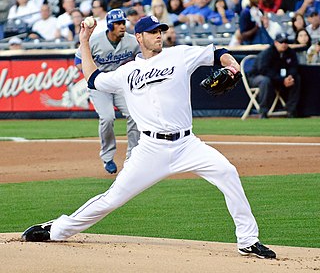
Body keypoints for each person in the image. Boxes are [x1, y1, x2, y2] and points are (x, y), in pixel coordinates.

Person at [21, 14, 277, 261]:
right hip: (151, 149)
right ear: (139, 37)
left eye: (160, 31)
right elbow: (93, 78)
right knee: (112, 198)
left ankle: (247, 240)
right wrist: (85, 41)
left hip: (187, 144)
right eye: (153, 32)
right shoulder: (128, 71)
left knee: (227, 172)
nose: (159, 36)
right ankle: (57, 229)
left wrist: (230, 63)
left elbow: (217, 52)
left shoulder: (179, 55)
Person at [75, 8, 140, 174]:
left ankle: (133, 155)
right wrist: (89, 74)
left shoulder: (132, 41)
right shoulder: (95, 41)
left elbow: (142, 57)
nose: (122, 26)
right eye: (118, 23)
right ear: (110, 26)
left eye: (123, 23)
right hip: (99, 85)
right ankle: (107, 157)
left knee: (134, 115)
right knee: (107, 117)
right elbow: (78, 60)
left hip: (119, 85)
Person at [249, 32, 301, 118]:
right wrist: (282, 79)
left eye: (286, 42)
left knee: (296, 78)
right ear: (276, 43)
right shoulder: (267, 53)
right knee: (265, 80)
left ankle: (291, 110)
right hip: (256, 77)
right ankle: (263, 111)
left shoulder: (290, 52)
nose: (284, 44)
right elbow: (264, 70)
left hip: (278, 78)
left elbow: (294, 66)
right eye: (281, 42)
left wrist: (289, 76)